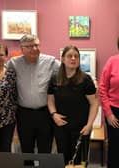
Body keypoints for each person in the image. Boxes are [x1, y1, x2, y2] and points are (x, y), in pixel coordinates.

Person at [7, 34, 60, 153]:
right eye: (30, 46)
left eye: (36, 45)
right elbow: (0, 74)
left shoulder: (51, 62)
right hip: (24, 114)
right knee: (26, 149)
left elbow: (69, 72)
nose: (34, 48)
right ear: (22, 49)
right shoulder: (14, 63)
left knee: (45, 149)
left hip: (45, 114)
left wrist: (91, 80)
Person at [47, 45, 98, 165]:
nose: (73, 58)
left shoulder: (86, 80)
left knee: (78, 161)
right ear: (63, 59)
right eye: (70, 56)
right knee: (63, 160)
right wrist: (54, 114)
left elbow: (94, 104)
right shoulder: (54, 78)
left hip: (81, 128)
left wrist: (89, 125)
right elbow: (50, 100)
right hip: (61, 126)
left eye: (76, 56)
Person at [99, 37, 119, 168]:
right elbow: (102, 88)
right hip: (114, 112)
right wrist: (108, 114)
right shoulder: (112, 61)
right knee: (115, 148)